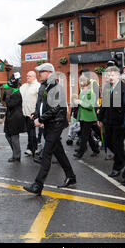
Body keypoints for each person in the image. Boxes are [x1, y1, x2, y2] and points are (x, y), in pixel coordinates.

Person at [23, 63, 76, 195]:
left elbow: (55, 108)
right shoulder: (43, 86)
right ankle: (71, 176)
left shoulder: (57, 87)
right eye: (39, 72)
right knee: (59, 152)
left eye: (41, 72)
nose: (39, 74)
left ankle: (38, 185)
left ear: (49, 72)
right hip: (49, 123)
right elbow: (39, 105)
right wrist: (36, 115)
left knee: (46, 154)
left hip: (56, 124)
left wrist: (40, 120)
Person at [98, 66, 125, 178]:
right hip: (108, 121)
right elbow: (104, 104)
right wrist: (100, 118)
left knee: (117, 143)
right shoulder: (107, 87)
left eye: (113, 75)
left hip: (119, 123)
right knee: (108, 142)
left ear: (118, 76)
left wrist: (124, 121)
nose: (110, 77)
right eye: (109, 75)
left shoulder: (123, 88)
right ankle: (123, 157)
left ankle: (118, 166)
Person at [73, 76, 100, 159]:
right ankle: (95, 150)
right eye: (80, 82)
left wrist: (80, 102)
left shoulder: (91, 94)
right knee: (87, 135)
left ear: (86, 84)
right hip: (82, 117)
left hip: (89, 117)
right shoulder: (81, 93)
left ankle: (81, 152)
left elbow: (91, 106)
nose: (81, 84)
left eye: (82, 83)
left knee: (84, 136)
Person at [2, 72, 25, 163]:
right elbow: (3, 100)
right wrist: (6, 93)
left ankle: (17, 156)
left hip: (16, 118)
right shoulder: (11, 93)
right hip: (10, 117)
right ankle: (15, 153)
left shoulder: (17, 94)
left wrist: (8, 95)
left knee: (14, 137)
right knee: (8, 136)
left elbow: (9, 104)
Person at [19, 71, 41, 158]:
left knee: (31, 132)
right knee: (29, 132)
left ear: (34, 77)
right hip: (24, 113)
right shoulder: (24, 86)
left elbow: (40, 101)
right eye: (27, 76)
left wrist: (37, 112)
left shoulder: (37, 86)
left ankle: (33, 149)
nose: (27, 77)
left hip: (33, 114)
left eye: (30, 76)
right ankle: (30, 147)